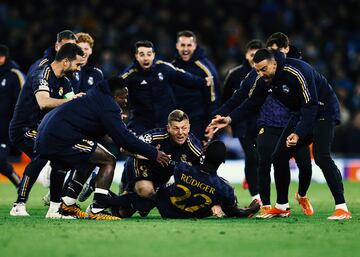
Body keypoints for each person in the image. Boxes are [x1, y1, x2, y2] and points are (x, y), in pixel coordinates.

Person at [207, 48, 351, 220]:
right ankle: (282, 206)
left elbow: (311, 104)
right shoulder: (264, 80)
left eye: (263, 69)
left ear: (274, 64)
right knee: (278, 156)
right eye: (257, 70)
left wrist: (298, 133)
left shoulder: (297, 71)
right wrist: (229, 119)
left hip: (323, 110)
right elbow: (251, 103)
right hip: (300, 113)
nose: (260, 74)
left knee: (321, 156)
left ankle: (342, 208)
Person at [34, 77, 171, 220]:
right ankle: (97, 210)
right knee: (108, 160)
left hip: (47, 135)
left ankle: (63, 206)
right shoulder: (108, 105)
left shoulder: (96, 95)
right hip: (60, 137)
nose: (125, 101)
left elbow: (95, 125)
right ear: (115, 96)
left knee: (87, 157)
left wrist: (113, 122)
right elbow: (124, 139)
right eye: (123, 97)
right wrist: (154, 153)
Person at [9, 43, 85, 216]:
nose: (79, 69)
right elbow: (44, 102)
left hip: (43, 130)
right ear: (66, 61)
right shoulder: (41, 74)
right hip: (23, 128)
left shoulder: (65, 82)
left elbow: (72, 104)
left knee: (60, 159)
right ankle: (18, 205)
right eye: (77, 65)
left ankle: (54, 209)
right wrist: (72, 102)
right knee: (41, 155)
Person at [109, 140, 260, 219]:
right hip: (187, 214)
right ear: (223, 162)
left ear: (204, 154)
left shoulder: (183, 168)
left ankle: (105, 198)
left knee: (132, 207)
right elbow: (234, 211)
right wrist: (250, 209)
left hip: (162, 205)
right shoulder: (225, 189)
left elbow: (168, 169)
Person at [117, 109, 203, 217]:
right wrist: (151, 155)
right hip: (141, 167)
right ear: (168, 128)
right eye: (176, 128)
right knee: (146, 192)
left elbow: (207, 173)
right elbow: (124, 147)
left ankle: (124, 197)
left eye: (184, 128)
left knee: (125, 213)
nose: (180, 133)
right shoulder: (154, 136)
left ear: (189, 127)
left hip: (161, 176)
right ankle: (126, 191)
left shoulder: (194, 148)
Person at [120, 40, 212, 136]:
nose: (146, 58)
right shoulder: (130, 75)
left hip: (165, 122)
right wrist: (117, 110)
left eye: (149, 54)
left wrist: (203, 82)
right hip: (142, 122)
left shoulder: (164, 68)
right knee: (130, 142)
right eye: (142, 55)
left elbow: (184, 77)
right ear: (136, 56)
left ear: (153, 55)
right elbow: (113, 89)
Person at [221, 39, 264, 200]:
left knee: (259, 157)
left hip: (262, 122)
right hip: (242, 123)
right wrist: (227, 121)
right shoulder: (235, 74)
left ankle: (250, 176)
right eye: (251, 54)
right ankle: (256, 196)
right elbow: (226, 99)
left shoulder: (266, 73)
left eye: (257, 55)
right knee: (252, 156)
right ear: (246, 55)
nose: (254, 58)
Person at [172, 30, 220, 140]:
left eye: (189, 45)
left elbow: (214, 101)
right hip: (177, 124)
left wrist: (211, 126)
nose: (185, 49)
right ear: (177, 46)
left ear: (195, 46)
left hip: (199, 123)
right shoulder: (172, 67)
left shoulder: (206, 69)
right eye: (182, 45)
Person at [0, 44, 24, 188]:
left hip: (5, 129)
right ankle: (20, 185)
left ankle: (20, 184)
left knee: (0, 160)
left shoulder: (14, 75)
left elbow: (21, 102)